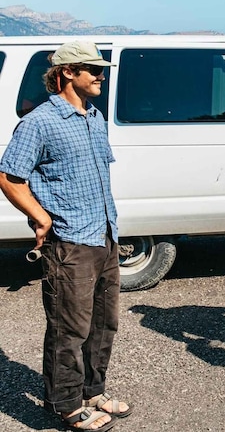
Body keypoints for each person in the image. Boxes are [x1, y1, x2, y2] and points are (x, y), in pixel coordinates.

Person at [0, 41, 130, 431]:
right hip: (70, 240)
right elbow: (9, 176)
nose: (101, 75)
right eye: (92, 68)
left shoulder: (94, 117)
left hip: (104, 235)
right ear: (67, 73)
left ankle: (93, 390)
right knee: (68, 328)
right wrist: (39, 217)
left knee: (104, 324)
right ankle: (66, 404)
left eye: (100, 69)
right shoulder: (39, 122)